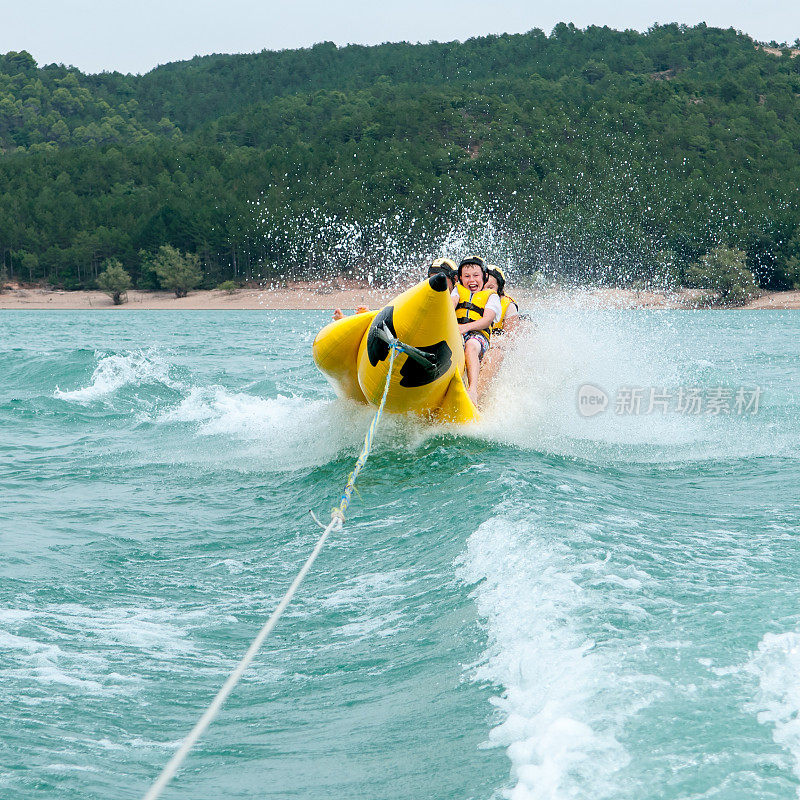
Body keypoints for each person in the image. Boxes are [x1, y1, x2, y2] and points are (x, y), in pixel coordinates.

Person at [451, 255, 501, 404]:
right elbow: (450, 305)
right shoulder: (457, 291)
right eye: (466, 276)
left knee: (471, 345)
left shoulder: (492, 297)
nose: (471, 280)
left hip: (478, 338)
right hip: (457, 333)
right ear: (460, 277)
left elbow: (487, 320)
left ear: (484, 276)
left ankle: (473, 389)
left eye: (475, 275)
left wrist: (465, 327)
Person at [485, 265, 519, 335]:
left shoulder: (509, 307)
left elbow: (511, 341)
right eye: (483, 287)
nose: (486, 291)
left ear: (499, 288)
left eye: (490, 288)